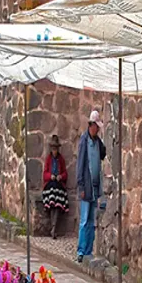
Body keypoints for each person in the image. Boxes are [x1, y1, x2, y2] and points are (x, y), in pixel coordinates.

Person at [76, 110, 106, 262]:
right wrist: (80, 186)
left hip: (95, 187)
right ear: (91, 125)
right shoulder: (84, 141)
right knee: (84, 219)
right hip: (86, 187)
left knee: (91, 220)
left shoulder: (96, 142)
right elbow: (80, 164)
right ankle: (81, 250)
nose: (97, 130)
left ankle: (88, 249)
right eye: (96, 127)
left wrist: (101, 139)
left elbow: (103, 154)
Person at [42, 134, 69, 238]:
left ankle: (54, 227)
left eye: (56, 149)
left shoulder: (61, 160)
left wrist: (60, 177)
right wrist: (51, 176)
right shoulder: (48, 159)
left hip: (59, 186)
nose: (54, 151)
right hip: (50, 186)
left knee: (57, 201)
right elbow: (45, 175)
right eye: (53, 149)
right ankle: (53, 227)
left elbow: (65, 174)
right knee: (52, 199)